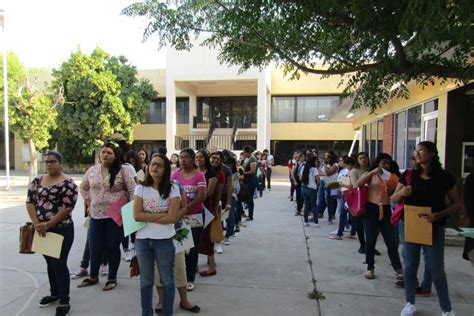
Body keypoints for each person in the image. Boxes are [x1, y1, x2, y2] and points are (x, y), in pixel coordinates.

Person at [392, 141, 460, 316]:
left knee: (436, 268)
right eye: (416, 151)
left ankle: (446, 309)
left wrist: (438, 215)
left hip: (434, 225)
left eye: (421, 151)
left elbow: (456, 204)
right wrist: (402, 193)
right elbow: (393, 198)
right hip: (410, 224)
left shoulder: (444, 177)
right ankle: (409, 303)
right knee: (410, 265)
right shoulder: (408, 175)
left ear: (431, 154)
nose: (418, 154)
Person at [26, 151, 78, 316]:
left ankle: (64, 301)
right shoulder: (37, 181)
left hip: (61, 229)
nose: (49, 164)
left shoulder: (68, 184)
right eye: (47, 162)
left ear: (61, 163)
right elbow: (30, 202)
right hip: (41, 230)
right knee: (49, 262)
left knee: (59, 264)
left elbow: (67, 208)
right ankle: (55, 292)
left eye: (53, 162)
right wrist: (37, 224)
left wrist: (48, 224)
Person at [78, 142, 136, 290]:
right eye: (103, 152)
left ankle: (112, 278)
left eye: (109, 153)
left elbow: (133, 190)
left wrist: (129, 209)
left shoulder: (124, 170)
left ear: (115, 156)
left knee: (112, 246)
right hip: (96, 215)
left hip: (116, 215)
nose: (105, 155)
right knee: (94, 246)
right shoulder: (92, 170)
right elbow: (83, 187)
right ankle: (93, 276)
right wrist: (89, 201)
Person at [133, 153, 180, 316]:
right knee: (146, 281)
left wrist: (150, 215)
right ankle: (146, 313)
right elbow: (137, 215)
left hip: (164, 241)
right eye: (152, 164)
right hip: (143, 241)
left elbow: (173, 217)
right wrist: (163, 216)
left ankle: (168, 313)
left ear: (166, 169)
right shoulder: (140, 188)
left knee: (167, 281)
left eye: (159, 165)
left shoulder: (173, 189)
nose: (154, 167)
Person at [357, 153, 402, 280]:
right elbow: (358, 184)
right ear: (378, 163)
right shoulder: (371, 174)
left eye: (388, 163)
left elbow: (397, 193)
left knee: (391, 241)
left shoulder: (393, 177)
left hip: (386, 209)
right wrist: (372, 173)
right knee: (370, 240)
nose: (386, 165)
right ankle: (370, 267)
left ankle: (398, 268)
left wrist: (392, 191)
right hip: (370, 209)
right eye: (383, 163)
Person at [171, 148, 206, 291]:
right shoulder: (175, 176)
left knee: (193, 248)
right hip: (180, 218)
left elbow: (201, 196)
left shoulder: (199, 176)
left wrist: (185, 208)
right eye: (180, 157)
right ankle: (181, 276)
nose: (182, 160)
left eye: (186, 157)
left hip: (195, 217)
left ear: (193, 159)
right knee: (181, 246)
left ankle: (190, 278)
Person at [195, 150, 219, 275]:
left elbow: (209, 192)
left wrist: (193, 198)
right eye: (196, 157)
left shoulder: (211, 174)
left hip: (205, 208)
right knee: (193, 237)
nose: (198, 159)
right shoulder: (192, 172)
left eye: (201, 157)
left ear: (206, 159)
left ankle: (212, 266)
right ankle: (194, 264)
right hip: (193, 208)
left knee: (206, 237)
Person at [330, 156, 356, 239]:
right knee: (348, 214)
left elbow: (350, 186)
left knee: (343, 214)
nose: (340, 163)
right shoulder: (344, 171)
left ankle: (340, 233)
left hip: (349, 195)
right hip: (344, 194)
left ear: (348, 164)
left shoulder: (352, 172)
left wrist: (341, 184)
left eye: (342, 162)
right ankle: (351, 232)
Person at [350, 152, 370, 254]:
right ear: (357, 160)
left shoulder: (371, 169)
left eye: (365, 157)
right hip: (358, 200)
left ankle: (370, 245)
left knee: (371, 226)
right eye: (360, 158)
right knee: (358, 225)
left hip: (371, 200)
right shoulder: (354, 171)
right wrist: (367, 177)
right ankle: (362, 244)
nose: (363, 160)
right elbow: (355, 185)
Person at [317, 151, 339, 224]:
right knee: (321, 199)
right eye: (325, 156)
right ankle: (319, 213)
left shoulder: (335, 165)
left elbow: (329, 173)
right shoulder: (324, 164)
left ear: (332, 157)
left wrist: (325, 165)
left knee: (330, 201)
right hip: (323, 183)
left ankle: (330, 218)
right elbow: (319, 171)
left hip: (331, 184)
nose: (326, 158)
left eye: (328, 156)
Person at [300, 155, 320, 227]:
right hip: (312, 188)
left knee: (306, 205)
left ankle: (305, 221)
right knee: (314, 206)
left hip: (304, 188)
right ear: (313, 161)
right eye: (316, 161)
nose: (316, 162)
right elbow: (318, 179)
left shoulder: (304, 168)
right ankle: (316, 222)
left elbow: (301, 177)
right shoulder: (314, 169)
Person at [241, 145, 258, 221]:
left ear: (249, 152)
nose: (243, 153)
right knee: (246, 197)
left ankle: (251, 215)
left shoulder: (252, 159)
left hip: (251, 180)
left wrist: (243, 173)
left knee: (250, 198)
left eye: (244, 152)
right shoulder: (247, 158)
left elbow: (252, 171)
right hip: (246, 180)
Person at [291, 151, 306, 216]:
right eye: (302, 157)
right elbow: (292, 173)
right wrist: (294, 181)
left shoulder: (305, 164)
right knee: (298, 194)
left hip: (302, 181)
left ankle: (300, 208)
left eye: (303, 157)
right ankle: (298, 209)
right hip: (297, 181)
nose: (303, 158)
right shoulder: (296, 164)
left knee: (301, 195)